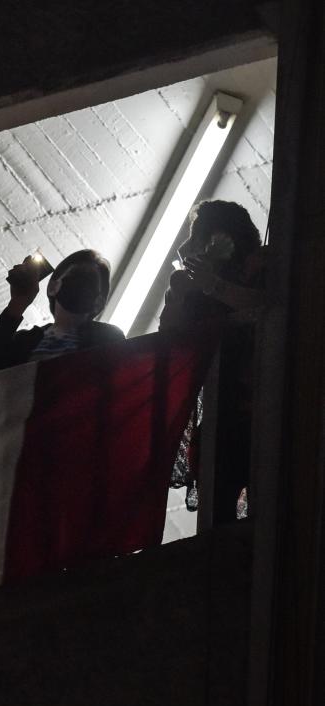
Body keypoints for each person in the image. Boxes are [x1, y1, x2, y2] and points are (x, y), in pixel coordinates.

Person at [158, 200, 266, 520]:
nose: (185, 247)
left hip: (264, 406)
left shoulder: (262, 266)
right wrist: (185, 289)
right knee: (218, 514)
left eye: (196, 236)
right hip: (221, 416)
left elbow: (272, 304)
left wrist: (214, 284)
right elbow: (169, 337)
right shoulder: (189, 288)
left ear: (219, 238)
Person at [0, 249, 124, 376]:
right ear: (52, 287)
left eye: (89, 281)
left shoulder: (109, 338)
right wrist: (18, 303)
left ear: (99, 302)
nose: (81, 285)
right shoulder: (23, 342)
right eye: (76, 276)